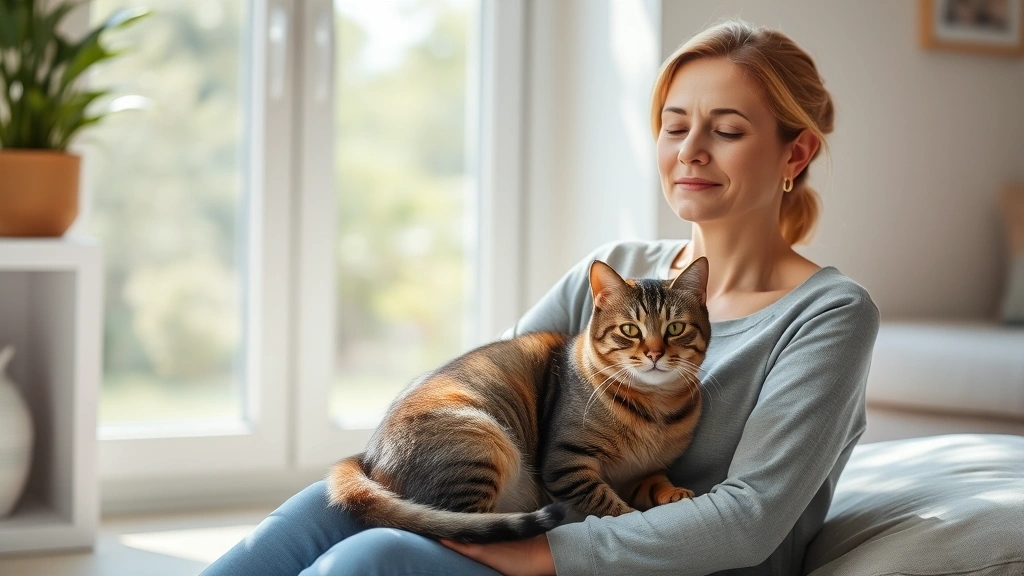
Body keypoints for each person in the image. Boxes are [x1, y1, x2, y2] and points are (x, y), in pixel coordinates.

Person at [202, 18, 879, 576]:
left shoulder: (829, 314)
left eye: (726, 130)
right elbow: (492, 384)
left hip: (636, 562)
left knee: (374, 560)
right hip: (550, 515)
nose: (691, 151)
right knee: (324, 507)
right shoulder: (617, 267)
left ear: (795, 155)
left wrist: (544, 551)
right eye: (675, 127)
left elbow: (750, 517)